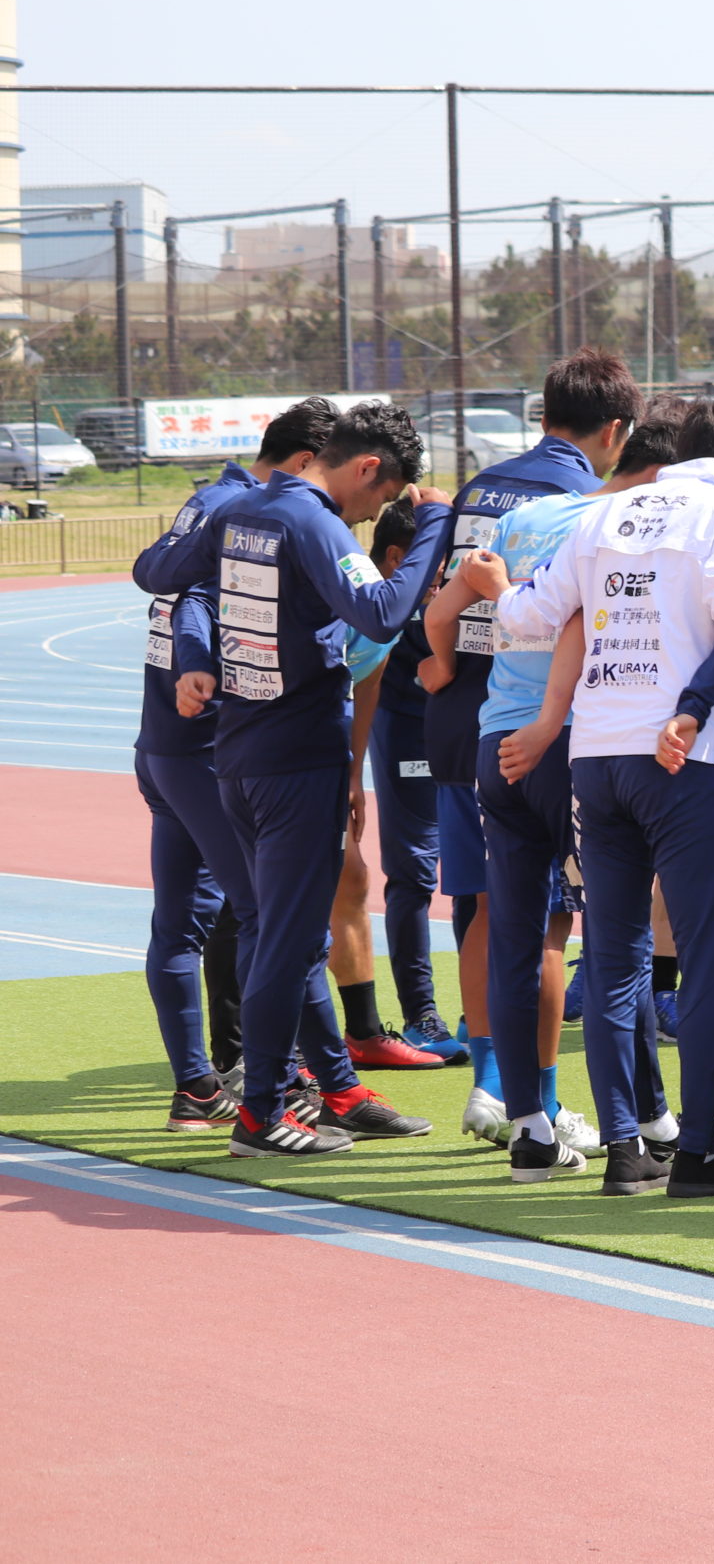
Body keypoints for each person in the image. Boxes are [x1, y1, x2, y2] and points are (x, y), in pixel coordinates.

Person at [468, 398, 714, 1197]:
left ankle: (625, 1149)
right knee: (707, 958)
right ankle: (696, 1150)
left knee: (613, 956)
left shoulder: (603, 512)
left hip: (595, 759)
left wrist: (497, 584)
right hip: (683, 760)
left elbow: (530, 615)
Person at [159, 402, 452, 1156]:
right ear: (365, 467)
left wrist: (196, 660)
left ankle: (328, 1090)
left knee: (284, 935)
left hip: (240, 755)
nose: (372, 514)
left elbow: (170, 581)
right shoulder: (313, 521)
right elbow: (383, 613)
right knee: (286, 944)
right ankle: (262, 1113)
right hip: (296, 761)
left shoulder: (240, 511)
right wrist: (434, 525)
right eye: (380, 497)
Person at [427, 350, 647, 1181]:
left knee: (501, 925)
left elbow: (439, 609)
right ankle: (628, 1125)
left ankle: (518, 1114)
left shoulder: (501, 504)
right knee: (596, 936)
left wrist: (439, 665)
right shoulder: (596, 516)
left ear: (543, 413)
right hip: (562, 737)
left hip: (484, 736)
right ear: (616, 432)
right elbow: (579, 625)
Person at [129, 402, 334, 1131]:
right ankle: (290, 1079)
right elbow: (194, 600)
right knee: (268, 918)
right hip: (208, 745)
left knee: (180, 925)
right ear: (306, 460)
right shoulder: (249, 512)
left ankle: (198, 1087)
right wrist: (198, 667)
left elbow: (155, 575)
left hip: (162, 744)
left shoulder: (208, 499)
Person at [332, 498, 450, 1070]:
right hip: (405, 736)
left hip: (469, 732)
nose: (443, 576)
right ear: (401, 557)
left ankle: (484, 1013)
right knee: (413, 872)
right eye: (436, 565)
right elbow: (364, 684)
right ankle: (421, 1014)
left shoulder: (448, 586)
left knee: (483, 876)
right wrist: (352, 772)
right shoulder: (363, 597)